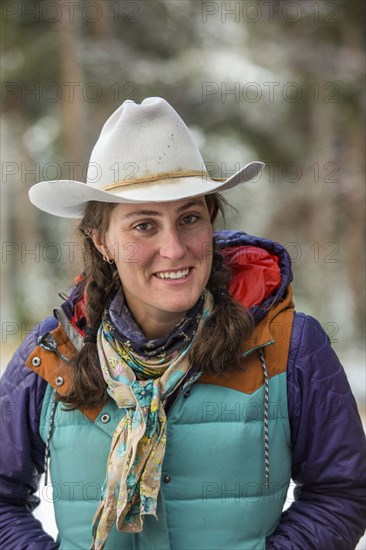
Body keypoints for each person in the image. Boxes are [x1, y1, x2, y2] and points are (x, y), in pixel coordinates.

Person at [0, 97, 365, 550]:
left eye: (189, 218)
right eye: (144, 226)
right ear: (101, 241)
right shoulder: (54, 353)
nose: (174, 249)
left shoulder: (289, 346)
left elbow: (341, 492)